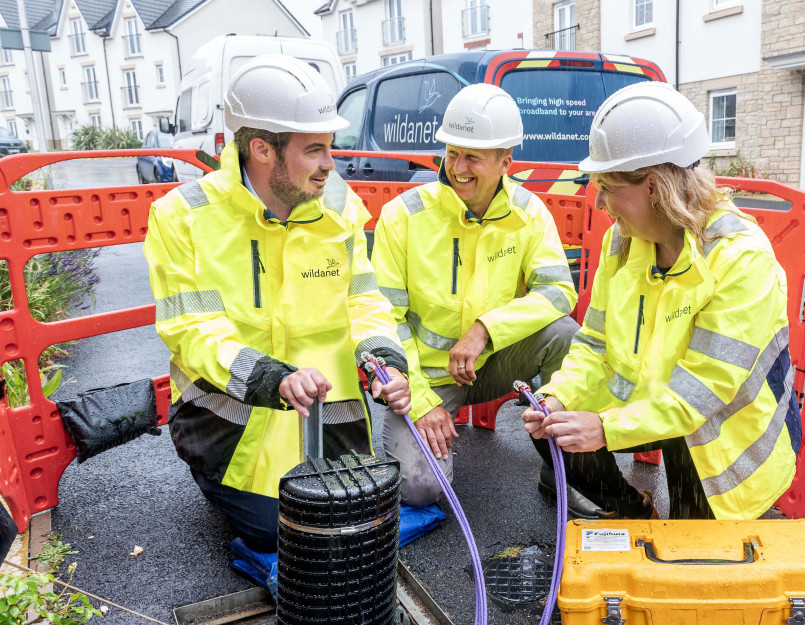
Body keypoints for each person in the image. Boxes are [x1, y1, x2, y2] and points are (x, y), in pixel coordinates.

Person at [144, 56, 411, 555]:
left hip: (327, 410)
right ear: (262, 149)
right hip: (230, 420)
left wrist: (385, 361)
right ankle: (216, 482)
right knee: (283, 532)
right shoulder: (181, 218)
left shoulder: (338, 207)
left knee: (352, 513)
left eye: (329, 149)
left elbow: (364, 300)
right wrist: (274, 377)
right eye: (314, 150)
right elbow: (191, 330)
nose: (330, 165)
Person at [372, 84, 651, 518]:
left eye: (473, 157)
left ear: (506, 162)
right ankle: (429, 439)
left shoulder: (528, 212)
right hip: (422, 380)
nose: (458, 168)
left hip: (490, 363)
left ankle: (561, 468)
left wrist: (485, 329)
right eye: (452, 154)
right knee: (421, 488)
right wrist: (423, 402)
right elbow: (384, 317)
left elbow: (558, 292)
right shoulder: (404, 215)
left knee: (564, 336)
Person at [524, 82, 801, 520]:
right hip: (657, 405)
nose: (599, 203)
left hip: (721, 436)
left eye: (608, 187)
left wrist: (605, 428)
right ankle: (635, 514)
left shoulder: (741, 257)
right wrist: (559, 397)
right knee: (552, 423)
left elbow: (701, 395)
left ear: (653, 187)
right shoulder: (624, 240)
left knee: (692, 554)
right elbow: (594, 342)